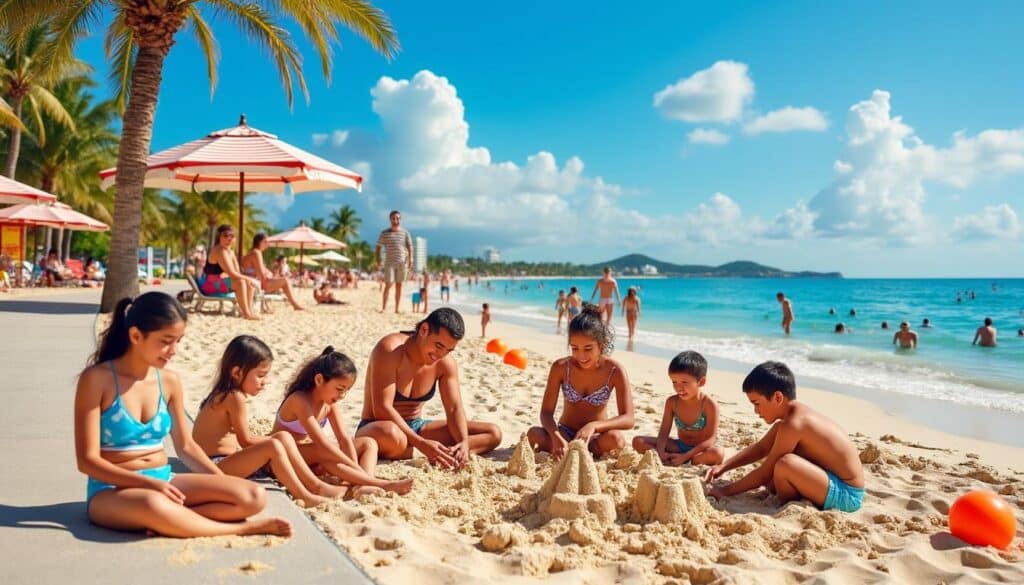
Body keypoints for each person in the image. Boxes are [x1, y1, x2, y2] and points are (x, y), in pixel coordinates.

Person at [74, 292, 292, 537]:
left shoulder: (169, 381)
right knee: (153, 504)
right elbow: (87, 461)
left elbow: (186, 446)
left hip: (163, 478)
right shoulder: (96, 379)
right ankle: (240, 528)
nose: (174, 350)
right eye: (166, 341)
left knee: (253, 496)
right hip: (111, 489)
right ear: (135, 336)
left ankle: (172, 520)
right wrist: (148, 484)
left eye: (179, 341)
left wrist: (222, 481)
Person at [192, 336, 348, 506]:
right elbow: (245, 440)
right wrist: (279, 441)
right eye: (260, 376)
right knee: (275, 444)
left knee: (281, 438)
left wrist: (281, 440)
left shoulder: (225, 394)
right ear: (237, 373)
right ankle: (308, 492)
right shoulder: (234, 397)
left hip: (223, 461)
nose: (265, 382)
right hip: (214, 466)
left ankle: (314, 484)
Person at [704, 361, 865, 512]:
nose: (756, 411)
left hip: (847, 495)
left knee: (784, 465)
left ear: (778, 398)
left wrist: (724, 491)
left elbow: (764, 473)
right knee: (774, 477)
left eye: (757, 404)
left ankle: (788, 502)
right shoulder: (788, 420)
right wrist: (723, 467)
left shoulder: (795, 423)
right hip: (828, 480)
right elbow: (761, 448)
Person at [355, 308, 502, 468]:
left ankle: (441, 453)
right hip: (379, 427)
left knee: (492, 433)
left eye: (448, 350)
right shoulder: (390, 350)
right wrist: (421, 444)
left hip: (417, 427)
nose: (440, 355)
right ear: (424, 330)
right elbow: (382, 409)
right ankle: (422, 451)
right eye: (438, 346)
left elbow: (454, 408)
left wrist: (463, 442)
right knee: (392, 434)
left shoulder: (445, 363)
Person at [273, 347, 414, 495]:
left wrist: (354, 465)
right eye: (339, 389)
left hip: (309, 455)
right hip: (285, 455)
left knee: (368, 443)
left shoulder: (329, 404)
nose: (342, 395)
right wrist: (352, 465)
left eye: (346, 390)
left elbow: (344, 439)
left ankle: (361, 484)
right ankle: (378, 483)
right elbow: (322, 444)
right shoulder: (299, 400)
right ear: (319, 380)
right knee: (324, 452)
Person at [527, 304, 634, 459]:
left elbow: (628, 418)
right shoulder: (561, 367)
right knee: (534, 434)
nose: (581, 355)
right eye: (575, 348)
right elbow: (546, 413)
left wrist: (594, 426)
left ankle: (582, 452)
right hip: (565, 433)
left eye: (588, 348)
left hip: (595, 437)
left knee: (616, 439)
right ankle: (568, 449)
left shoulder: (614, 371)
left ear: (601, 345)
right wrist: (556, 438)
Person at [631, 351, 723, 466]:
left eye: (684, 382)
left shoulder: (709, 404)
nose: (679, 387)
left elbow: (710, 440)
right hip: (679, 446)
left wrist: (685, 457)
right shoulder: (672, 402)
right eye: (674, 382)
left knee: (717, 453)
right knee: (638, 441)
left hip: (700, 450)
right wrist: (660, 452)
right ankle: (668, 458)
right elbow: (664, 433)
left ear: (701, 382)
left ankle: (689, 460)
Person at [199, 225, 260, 320]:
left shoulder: (230, 251)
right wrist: (251, 279)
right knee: (241, 282)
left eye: (232, 236)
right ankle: (247, 313)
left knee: (248, 283)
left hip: (220, 283)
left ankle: (249, 311)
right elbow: (232, 273)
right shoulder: (219, 250)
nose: (229, 238)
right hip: (210, 285)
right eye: (225, 235)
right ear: (219, 237)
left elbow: (237, 272)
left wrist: (249, 280)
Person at [240, 232, 304, 312]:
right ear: (259, 242)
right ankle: (295, 305)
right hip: (257, 283)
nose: (267, 244)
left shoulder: (253, 252)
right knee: (286, 281)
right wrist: (269, 274)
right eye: (265, 242)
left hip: (254, 282)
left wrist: (269, 273)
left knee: (284, 281)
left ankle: (294, 304)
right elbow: (261, 273)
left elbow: (260, 270)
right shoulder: (256, 252)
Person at [376, 210, 413, 313]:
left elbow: (410, 246)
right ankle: (384, 307)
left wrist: (411, 259)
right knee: (388, 284)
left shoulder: (405, 233)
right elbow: (378, 247)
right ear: (390, 219)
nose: (396, 220)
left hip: (402, 263)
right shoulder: (384, 233)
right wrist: (378, 259)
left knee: (399, 285)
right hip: (389, 263)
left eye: (398, 218)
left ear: (400, 219)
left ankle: (397, 308)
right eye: (393, 218)